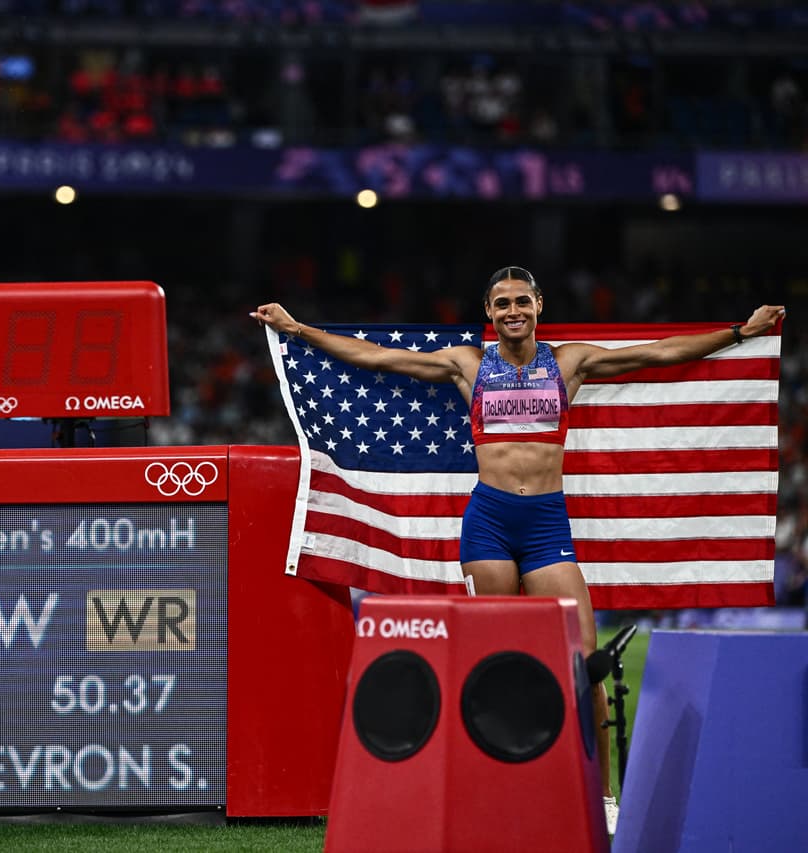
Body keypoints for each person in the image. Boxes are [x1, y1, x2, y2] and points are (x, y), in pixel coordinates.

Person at [251, 265, 786, 835]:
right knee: (490, 661)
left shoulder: (570, 361)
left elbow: (659, 353)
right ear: (489, 312)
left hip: (546, 525)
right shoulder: (468, 364)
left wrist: (740, 333)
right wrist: (300, 330)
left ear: (538, 306)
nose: (513, 311)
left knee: (586, 664)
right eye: (502, 303)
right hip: (489, 524)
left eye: (522, 302)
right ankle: (490, 787)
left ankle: (602, 797)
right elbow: (376, 358)